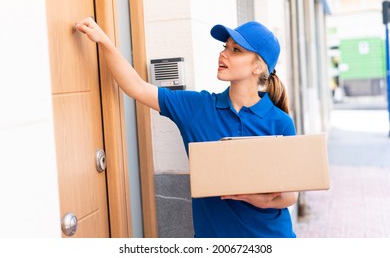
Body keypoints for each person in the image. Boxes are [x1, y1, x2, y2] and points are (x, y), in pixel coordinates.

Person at [75, 17, 298, 238]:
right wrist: (104, 41)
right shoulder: (197, 108)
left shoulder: (280, 122)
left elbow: (290, 194)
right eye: (225, 47)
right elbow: (136, 87)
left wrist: (256, 198)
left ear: (258, 67)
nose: (224, 53)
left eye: (236, 50)